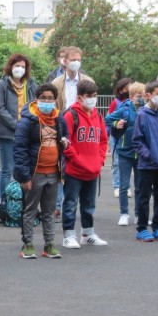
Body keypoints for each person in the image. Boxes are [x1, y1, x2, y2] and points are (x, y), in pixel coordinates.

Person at [13, 83, 69, 259]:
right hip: (34, 173)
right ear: (36, 99)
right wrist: (25, 176)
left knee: (49, 211)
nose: (47, 101)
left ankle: (49, 244)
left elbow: (65, 137)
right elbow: (19, 149)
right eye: (43, 98)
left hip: (54, 173)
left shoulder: (59, 119)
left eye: (50, 98)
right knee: (30, 210)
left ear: (55, 100)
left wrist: (65, 142)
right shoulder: (27, 121)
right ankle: (27, 244)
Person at [60, 80, 108, 249]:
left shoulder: (98, 116)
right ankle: (68, 235)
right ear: (80, 97)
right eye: (89, 96)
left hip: (92, 169)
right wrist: (76, 159)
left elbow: (103, 141)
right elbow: (65, 142)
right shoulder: (70, 115)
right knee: (70, 203)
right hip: (74, 170)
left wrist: (99, 160)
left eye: (95, 96)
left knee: (89, 204)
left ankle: (88, 234)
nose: (93, 99)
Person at [132, 81, 158, 242]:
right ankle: (142, 228)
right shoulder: (142, 115)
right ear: (148, 95)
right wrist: (148, 156)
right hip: (147, 165)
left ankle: (157, 227)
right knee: (144, 197)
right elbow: (137, 141)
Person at [0, 53, 37, 201]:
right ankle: (5, 203)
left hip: (27, 133)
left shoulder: (31, 85)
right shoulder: (1, 84)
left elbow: (35, 106)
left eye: (23, 66)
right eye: (17, 66)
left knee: (25, 169)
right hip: (7, 133)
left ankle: (22, 202)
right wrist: (16, 125)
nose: (20, 69)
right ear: (10, 67)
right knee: (7, 169)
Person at [105, 82, 145, 227]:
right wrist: (116, 124)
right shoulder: (125, 109)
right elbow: (107, 119)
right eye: (138, 96)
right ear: (131, 96)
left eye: (142, 96)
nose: (141, 99)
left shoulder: (146, 110)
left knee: (140, 186)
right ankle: (124, 213)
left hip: (141, 153)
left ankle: (139, 214)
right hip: (125, 152)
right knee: (124, 186)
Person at [108, 77, 132, 197]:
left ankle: (126, 186)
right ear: (121, 90)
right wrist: (116, 124)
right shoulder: (115, 103)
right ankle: (117, 186)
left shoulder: (133, 103)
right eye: (128, 88)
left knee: (128, 162)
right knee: (117, 161)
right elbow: (109, 120)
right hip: (117, 136)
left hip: (128, 137)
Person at [51, 46, 94, 112]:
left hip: (82, 117)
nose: (76, 63)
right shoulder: (56, 83)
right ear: (65, 61)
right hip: (62, 117)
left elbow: (92, 107)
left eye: (78, 60)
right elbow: (54, 106)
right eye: (73, 60)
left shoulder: (89, 81)